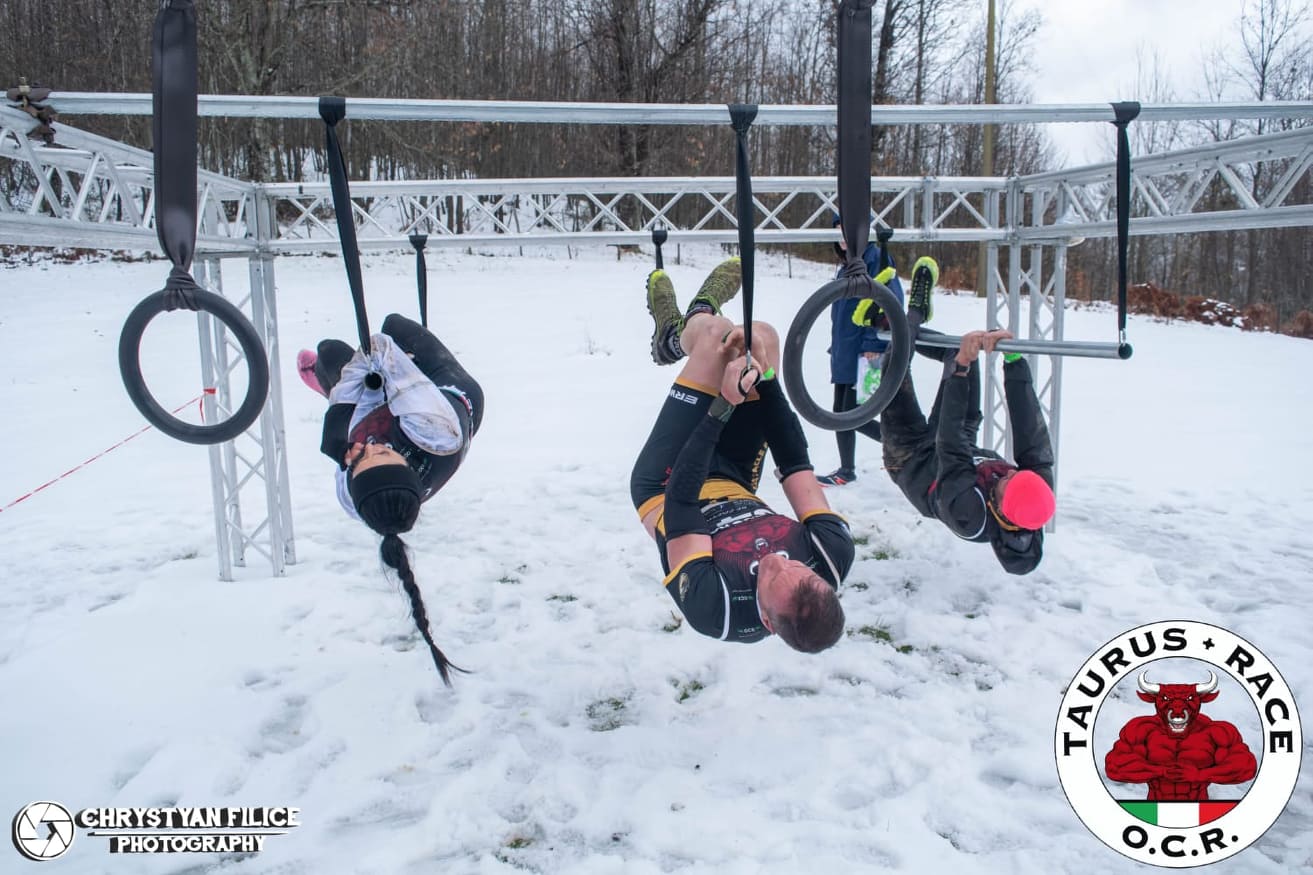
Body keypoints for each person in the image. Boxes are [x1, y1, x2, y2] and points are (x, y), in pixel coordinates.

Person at [633, 259, 854, 649]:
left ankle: (677, 334)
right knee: (759, 338)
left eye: (770, 576)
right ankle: (696, 316)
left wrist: (723, 406)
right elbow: (794, 463)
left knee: (715, 335)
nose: (776, 558)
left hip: (665, 487)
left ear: (766, 619)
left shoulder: (717, 606)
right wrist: (764, 377)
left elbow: (681, 500)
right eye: (794, 564)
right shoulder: (831, 555)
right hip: (735, 477)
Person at [296, 313, 484, 684]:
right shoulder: (435, 431)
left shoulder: (352, 499)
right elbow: (380, 346)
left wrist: (343, 421)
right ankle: (375, 383)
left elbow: (366, 449)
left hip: (386, 420)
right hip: (445, 396)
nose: (369, 447)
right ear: (405, 463)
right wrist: (338, 416)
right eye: (381, 452)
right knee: (393, 326)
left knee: (330, 353)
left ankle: (339, 381)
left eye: (360, 458)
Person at [853, 257, 1056, 575]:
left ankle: (903, 315)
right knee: (958, 352)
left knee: (896, 367)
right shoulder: (1038, 493)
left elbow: (950, 444)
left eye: (1007, 484)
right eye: (1018, 474)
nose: (1010, 474)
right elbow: (1030, 430)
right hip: (962, 445)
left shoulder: (968, 513)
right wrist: (1013, 360)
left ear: (1001, 511)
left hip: (912, 461)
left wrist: (959, 371)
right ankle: (889, 323)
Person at [816, 216, 904, 487]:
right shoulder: (847, 265)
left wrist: (873, 345)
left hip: (863, 352)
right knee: (840, 413)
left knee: (853, 415)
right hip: (845, 350)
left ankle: (908, 447)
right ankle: (846, 469)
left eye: (845, 231)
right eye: (837, 233)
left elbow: (890, 302)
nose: (841, 238)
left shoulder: (876, 259)